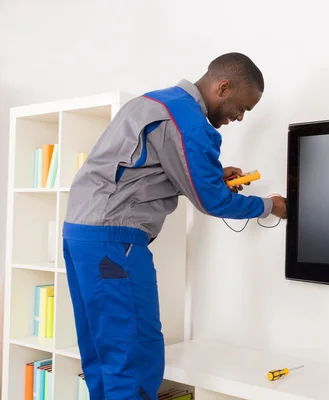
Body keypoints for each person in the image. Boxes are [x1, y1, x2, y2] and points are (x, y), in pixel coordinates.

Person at [62, 52, 287, 400]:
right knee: (135, 357)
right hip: (115, 242)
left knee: (102, 355)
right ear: (223, 86)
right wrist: (270, 206)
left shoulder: (153, 102)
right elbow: (212, 201)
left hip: (81, 234)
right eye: (241, 108)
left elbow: (147, 168)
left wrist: (213, 175)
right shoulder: (190, 123)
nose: (239, 117)